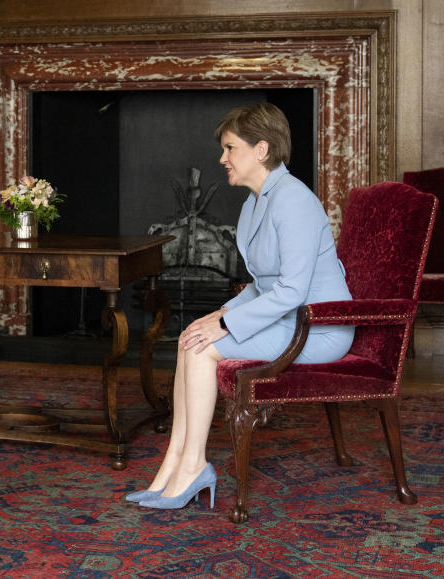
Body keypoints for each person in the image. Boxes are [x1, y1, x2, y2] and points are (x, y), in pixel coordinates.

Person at [128, 102, 355, 510]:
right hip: (288, 317)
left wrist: (229, 327)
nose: (222, 159)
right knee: (190, 337)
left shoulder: (293, 199)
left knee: (203, 348)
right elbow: (260, 284)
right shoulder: (253, 204)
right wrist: (217, 316)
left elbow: (291, 290)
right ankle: (173, 465)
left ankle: (194, 465)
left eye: (230, 148)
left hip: (319, 326)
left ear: (262, 150)